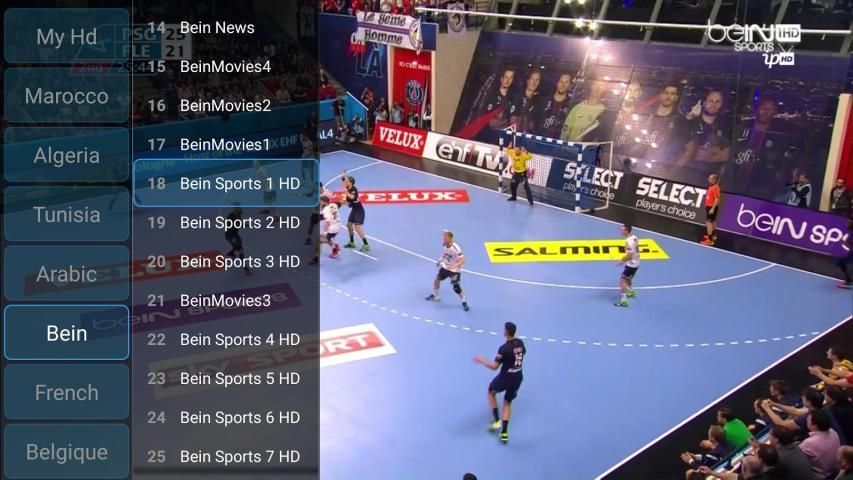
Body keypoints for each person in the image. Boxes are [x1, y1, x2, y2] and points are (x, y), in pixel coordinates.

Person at [473, 321, 525, 444]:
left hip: (506, 377)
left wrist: (482, 360)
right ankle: (504, 433)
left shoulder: (504, 349)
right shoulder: (520, 343)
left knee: (491, 392)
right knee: (507, 402)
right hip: (518, 377)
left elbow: (494, 366)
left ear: (506, 332)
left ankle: (497, 421)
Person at [425, 230, 469, 311]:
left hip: (454, 270)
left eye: (445, 239)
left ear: (450, 239)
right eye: (443, 238)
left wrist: (454, 265)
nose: (443, 240)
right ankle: (436, 296)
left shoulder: (456, 248)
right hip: (445, 267)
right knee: (437, 279)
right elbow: (445, 253)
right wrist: (440, 261)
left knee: (456, 288)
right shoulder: (445, 245)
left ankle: (464, 301)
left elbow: (463, 260)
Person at [800, 409, 841, 478]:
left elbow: (796, 457)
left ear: (815, 426)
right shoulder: (833, 432)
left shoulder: (809, 443)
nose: (806, 419)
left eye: (808, 419)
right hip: (835, 470)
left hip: (821, 476)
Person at [536, 73, 572, 139]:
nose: (563, 85)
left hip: (558, 142)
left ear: (569, 85)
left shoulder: (570, 105)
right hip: (539, 140)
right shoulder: (543, 101)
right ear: (557, 83)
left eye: (566, 82)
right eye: (561, 82)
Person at [341, 174, 370, 252]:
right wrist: (343, 175)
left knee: (357, 227)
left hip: (359, 210)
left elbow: (352, 197)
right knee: (349, 225)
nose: (346, 183)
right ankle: (352, 242)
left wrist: (346, 193)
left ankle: (366, 245)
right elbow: (349, 203)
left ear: (351, 183)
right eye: (346, 181)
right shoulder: (347, 187)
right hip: (354, 209)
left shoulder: (354, 189)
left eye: (347, 182)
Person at [310, 195, 341, 265]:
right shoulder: (334, 205)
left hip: (332, 228)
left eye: (321, 202)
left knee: (319, 240)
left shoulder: (325, 210)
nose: (320, 203)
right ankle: (335, 247)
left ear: (325, 202)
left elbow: (328, 221)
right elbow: (339, 204)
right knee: (326, 238)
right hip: (337, 226)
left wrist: (325, 231)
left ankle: (316, 259)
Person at [614, 224, 639, 307]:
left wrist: (621, 261)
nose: (621, 231)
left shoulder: (628, 242)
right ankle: (631, 292)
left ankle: (623, 301)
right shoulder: (634, 237)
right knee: (629, 278)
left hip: (631, 264)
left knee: (622, 281)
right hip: (637, 262)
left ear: (627, 231)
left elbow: (630, 255)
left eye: (622, 230)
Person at [224, 205, 252, 277]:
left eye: (241, 208)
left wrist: (247, 224)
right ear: (235, 209)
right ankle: (245, 269)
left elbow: (239, 224)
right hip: (230, 235)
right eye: (239, 208)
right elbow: (229, 227)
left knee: (238, 245)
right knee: (240, 249)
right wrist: (232, 239)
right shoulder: (231, 216)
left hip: (235, 234)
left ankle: (231, 254)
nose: (241, 210)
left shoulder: (239, 214)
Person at [702, 174, 721, 246]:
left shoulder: (716, 187)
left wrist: (712, 208)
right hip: (709, 207)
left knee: (708, 222)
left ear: (714, 180)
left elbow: (717, 199)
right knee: (712, 221)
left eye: (710, 178)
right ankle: (713, 236)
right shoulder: (712, 186)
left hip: (711, 207)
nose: (708, 179)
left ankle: (709, 240)